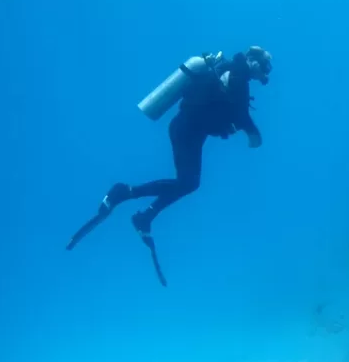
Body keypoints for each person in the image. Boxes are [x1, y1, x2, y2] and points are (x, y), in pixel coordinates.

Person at [66, 46, 273, 282]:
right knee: (189, 182)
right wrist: (254, 135)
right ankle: (124, 193)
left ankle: (145, 215)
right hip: (186, 130)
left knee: (189, 183)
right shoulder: (237, 74)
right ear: (251, 60)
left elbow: (232, 110)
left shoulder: (230, 71)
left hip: (190, 131)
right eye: (263, 67)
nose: (263, 74)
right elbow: (242, 116)